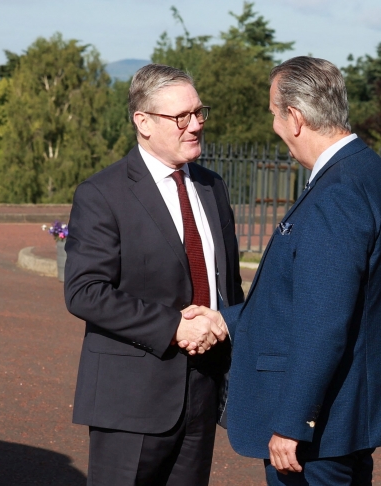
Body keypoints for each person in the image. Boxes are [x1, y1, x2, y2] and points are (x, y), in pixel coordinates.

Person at [185, 56, 381, 485]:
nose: (274, 127)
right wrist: (225, 320)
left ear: (296, 117)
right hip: (346, 418)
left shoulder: (337, 193)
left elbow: (323, 321)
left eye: (274, 113)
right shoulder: (366, 168)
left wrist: (292, 421)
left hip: (321, 432)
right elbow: (307, 298)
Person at [64, 63, 244, 486]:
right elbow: (84, 292)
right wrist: (173, 327)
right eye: (181, 116)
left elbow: (227, 287)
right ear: (142, 122)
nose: (196, 125)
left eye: (199, 112)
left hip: (203, 390)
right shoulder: (102, 194)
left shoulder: (212, 187)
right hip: (132, 399)